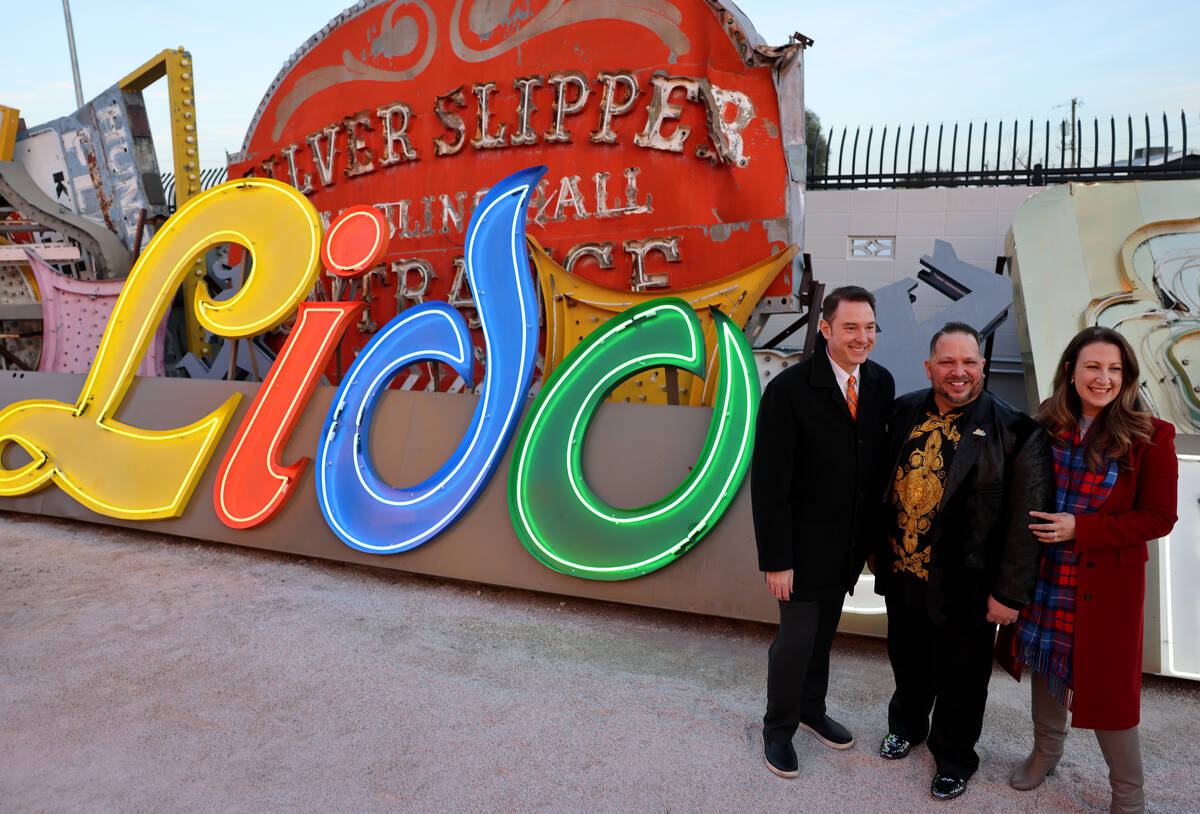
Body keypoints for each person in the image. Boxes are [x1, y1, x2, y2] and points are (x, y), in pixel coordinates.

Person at [996, 326, 1177, 814]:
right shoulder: (1044, 427)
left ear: (1128, 376)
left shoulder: (1151, 435)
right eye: (1093, 366)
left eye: (1115, 369)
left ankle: (1128, 795)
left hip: (1106, 584)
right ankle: (1046, 752)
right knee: (1045, 662)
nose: (1104, 378)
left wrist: (1084, 528)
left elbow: (1160, 518)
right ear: (1071, 371)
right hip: (1047, 575)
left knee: (1109, 688)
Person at [875, 322, 1053, 800]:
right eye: (948, 362)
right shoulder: (904, 410)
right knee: (907, 661)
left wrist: (1010, 593)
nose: (959, 372)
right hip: (904, 572)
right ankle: (907, 726)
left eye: (969, 362)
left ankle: (954, 758)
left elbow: (1027, 524)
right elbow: (881, 484)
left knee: (962, 678)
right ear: (929, 366)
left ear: (983, 366)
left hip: (969, 586)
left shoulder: (1017, 430)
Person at [751, 285, 895, 778]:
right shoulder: (788, 391)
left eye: (869, 327)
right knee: (794, 642)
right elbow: (769, 484)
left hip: (849, 547)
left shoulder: (880, 383)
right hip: (799, 549)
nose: (862, 337)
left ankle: (811, 711)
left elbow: (874, 470)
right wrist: (776, 559)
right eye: (851, 327)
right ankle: (778, 730)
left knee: (823, 637)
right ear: (826, 328)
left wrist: (874, 545)